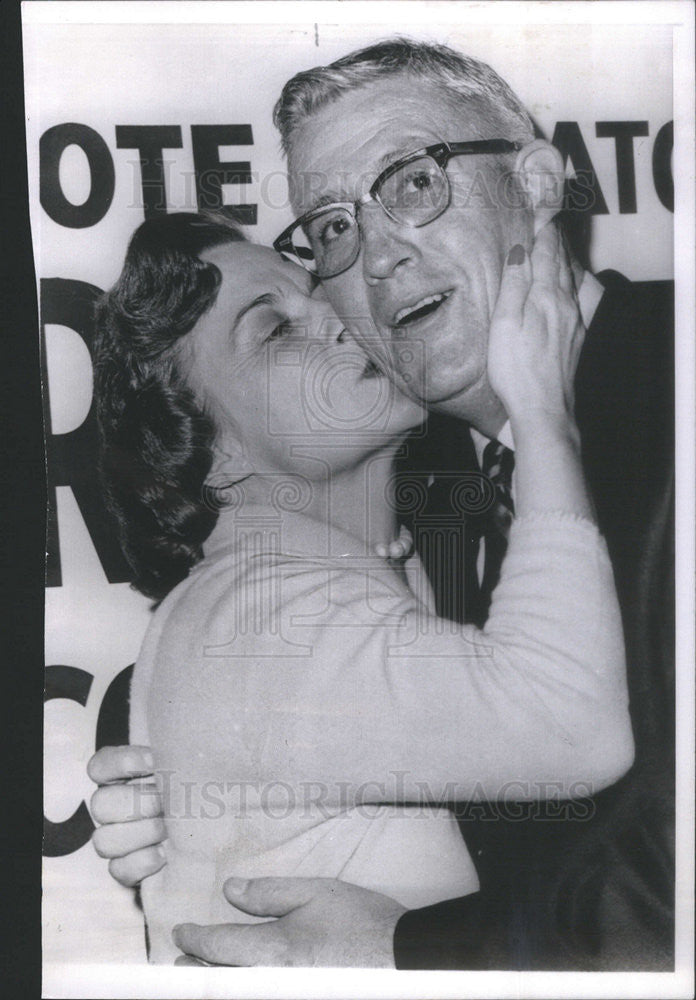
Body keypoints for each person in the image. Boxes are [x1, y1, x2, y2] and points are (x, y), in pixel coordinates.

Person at [89, 39, 674, 969]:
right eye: (331, 228)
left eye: (410, 184)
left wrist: (408, 950)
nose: (369, 268)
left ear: (534, 184)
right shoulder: (450, 488)